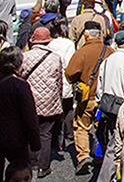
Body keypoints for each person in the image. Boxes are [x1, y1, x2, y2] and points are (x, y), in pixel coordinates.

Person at [64, 21, 114, 175]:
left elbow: (70, 74)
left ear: (86, 35)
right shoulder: (110, 51)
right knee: (102, 127)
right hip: (105, 97)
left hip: (86, 97)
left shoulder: (81, 52)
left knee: (81, 126)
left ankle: (83, 155)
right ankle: (101, 155)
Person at [0, 47, 40, 182]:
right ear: (18, 64)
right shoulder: (20, 85)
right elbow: (29, 116)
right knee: (20, 174)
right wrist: (35, 143)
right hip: (15, 138)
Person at [95, 30, 124, 182]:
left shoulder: (108, 59)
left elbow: (99, 86)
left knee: (113, 141)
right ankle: (108, 177)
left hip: (108, 106)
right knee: (117, 145)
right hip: (123, 107)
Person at [18, 27, 63, 179]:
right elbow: (59, 81)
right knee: (45, 133)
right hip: (50, 100)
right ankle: (44, 167)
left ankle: (32, 161)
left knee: (31, 130)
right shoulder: (55, 58)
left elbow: (21, 77)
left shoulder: (25, 57)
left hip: (30, 99)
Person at [47, 17, 76, 150]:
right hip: (65, 77)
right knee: (68, 107)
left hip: (50, 78)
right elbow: (69, 64)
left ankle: (56, 137)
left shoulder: (49, 43)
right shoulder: (68, 44)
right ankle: (69, 133)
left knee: (54, 110)